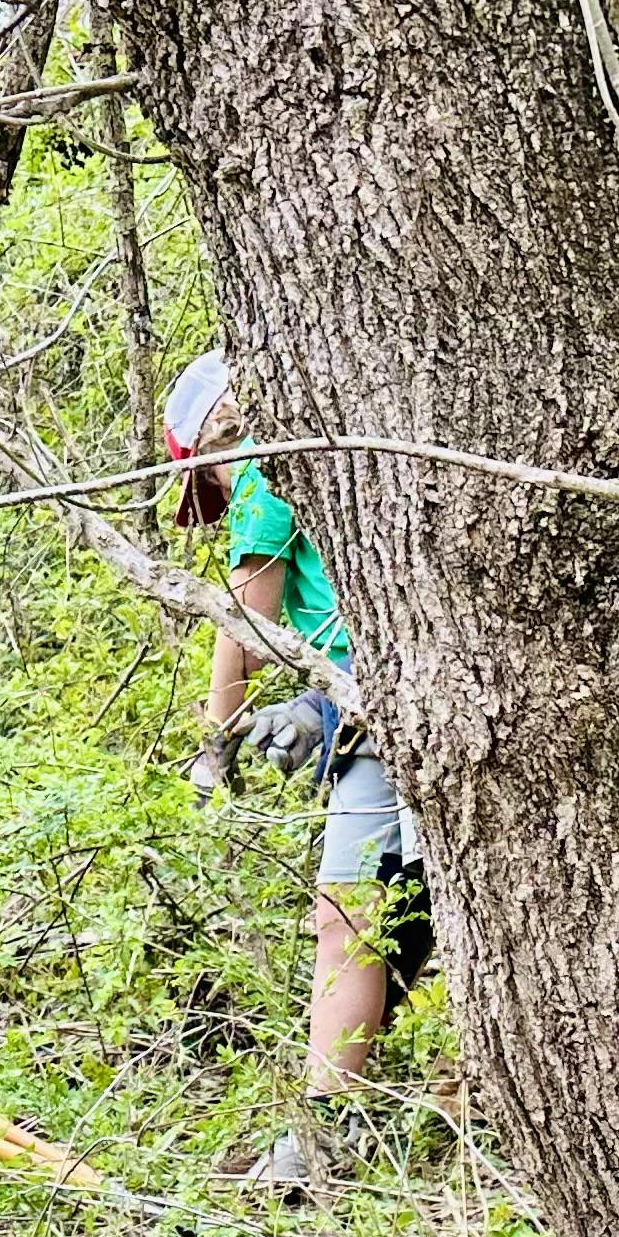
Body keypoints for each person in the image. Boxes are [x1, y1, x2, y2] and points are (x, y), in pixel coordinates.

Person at [164, 347, 431, 1193]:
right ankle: (337, 1116)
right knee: (377, 908)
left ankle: (327, 1125)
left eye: (209, 484)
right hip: (371, 703)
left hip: (384, 706)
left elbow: (245, 620)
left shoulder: (260, 471)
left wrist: (215, 744)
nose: (221, 500)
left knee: (349, 913)